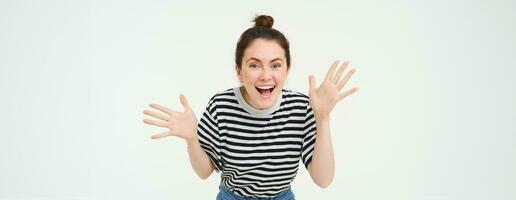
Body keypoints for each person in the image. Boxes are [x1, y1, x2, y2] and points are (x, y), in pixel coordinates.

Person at [143, 14, 358, 200]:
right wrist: (192, 139)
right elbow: (204, 171)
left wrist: (322, 118)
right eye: (254, 65)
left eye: (275, 65)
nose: (266, 75)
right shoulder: (221, 106)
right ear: (239, 70)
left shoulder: (302, 107)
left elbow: (323, 180)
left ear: (287, 69)